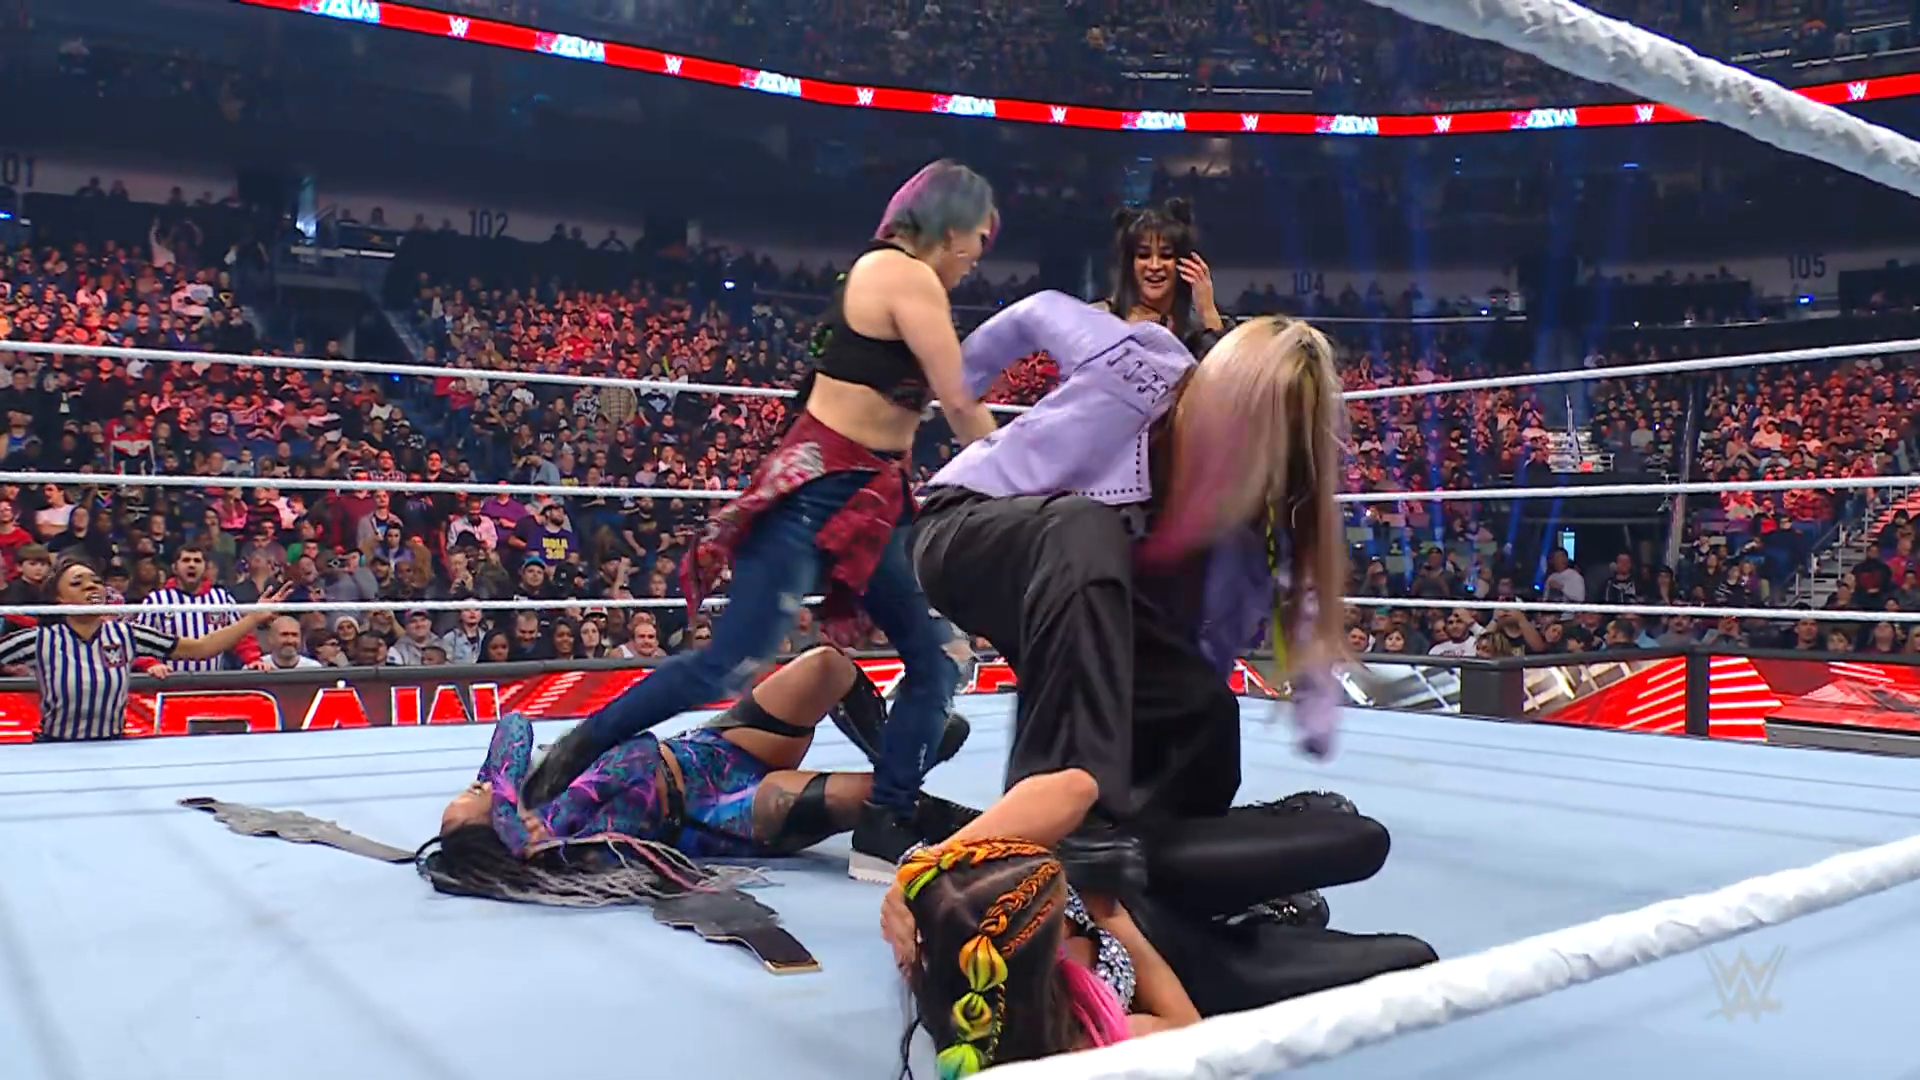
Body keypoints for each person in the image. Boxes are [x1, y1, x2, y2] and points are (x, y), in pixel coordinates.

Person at [523, 160, 999, 882]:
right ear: (953, 226)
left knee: (934, 660)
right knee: (730, 660)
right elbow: (959, 400)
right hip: (819, 491)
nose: (978, 258)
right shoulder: (902, 273)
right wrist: (1017, 484)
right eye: (978, 240)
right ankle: (576, 749)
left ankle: (887, 821)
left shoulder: (900, 279)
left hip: (871, 500)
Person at [885, 771, 1436, 1075]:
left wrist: (919, 873)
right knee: (1410, 957)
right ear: (1050, 951)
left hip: (1137, 879)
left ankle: (1261, 866)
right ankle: (1263, 919)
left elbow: (1075, 787)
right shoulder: (1080, 1046)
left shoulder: (947, 920)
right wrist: (1111, 918)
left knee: (1360, 838)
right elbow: (1189, 1031)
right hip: (1170, 960)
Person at [421, 647, 974, 901]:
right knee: (874, 799)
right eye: (465, 803)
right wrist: (523, 823)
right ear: (488, 835)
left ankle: (906, 749)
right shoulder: (557, 844)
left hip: (711, 749)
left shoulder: (523, 789)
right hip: (722, 811)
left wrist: (503, 795)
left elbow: (515, 724)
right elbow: (634, 758)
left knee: (826, 665)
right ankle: (986, 827)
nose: (474, 788)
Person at [0, 554, 292, 741]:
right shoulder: (41, 639)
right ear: (60, 600)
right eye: (78, 583)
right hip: (55, 747)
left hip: (113, 745)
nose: (91, 587)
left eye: (96, 581)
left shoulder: (125, 634)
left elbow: (200, 648)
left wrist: (253, 618)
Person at [1095, 198, 1228, 356]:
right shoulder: (1098, 320)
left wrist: (1208, 312)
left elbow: (1228, 369)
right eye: (1144, 255)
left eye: (1166, 255)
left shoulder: (1198, 327)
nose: (1155, 266)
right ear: (1130, 264)